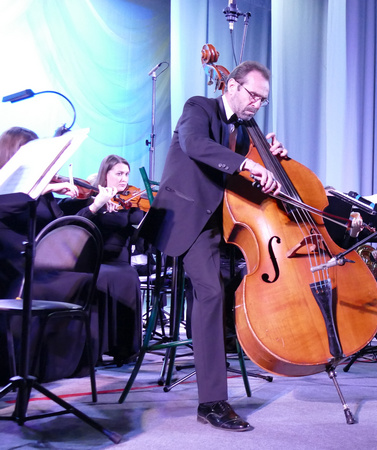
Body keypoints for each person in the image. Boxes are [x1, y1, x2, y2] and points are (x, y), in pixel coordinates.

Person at [143, 60, 286, 432]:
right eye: (253, 95)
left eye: (263, 99)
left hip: (222, 225)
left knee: (222, 294)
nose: (257, 104)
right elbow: (195, 145)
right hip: (187, 219)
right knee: (210, 294)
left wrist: (269, 159)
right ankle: (211, 403)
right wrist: (250, 166)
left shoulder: (245, 131)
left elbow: (239, 172)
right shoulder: (199, 108)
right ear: (232, 86)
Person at [61, 155, 145, 365]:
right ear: (105, 175)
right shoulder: (90, 199)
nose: (124, 179)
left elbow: (141, 232)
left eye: (126, 174)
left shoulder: (128, 203)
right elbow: (75, 225)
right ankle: (95, 350)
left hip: (120, 263)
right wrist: (97, 205)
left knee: (129, 275)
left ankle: (124, 349)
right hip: (94, 261)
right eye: (119, 174)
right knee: (104, 277)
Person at [0, 127, 79, 297]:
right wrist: (43, 188)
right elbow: (7, 206)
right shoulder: (7, 186)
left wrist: (91, 205)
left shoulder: (41, 188)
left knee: (94, 280)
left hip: (42, 265)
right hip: (14, 268)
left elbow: (61, 223)